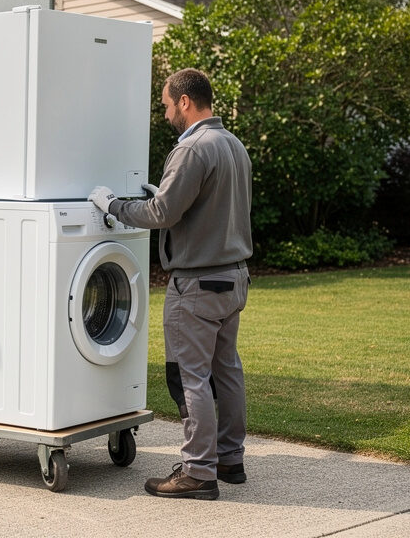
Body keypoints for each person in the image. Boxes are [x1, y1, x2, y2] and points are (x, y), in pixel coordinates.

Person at [89, 68, 252, 499]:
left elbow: (162, 215)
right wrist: (161, 195)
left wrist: (112, 204)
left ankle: (197, 472)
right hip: (234, 278)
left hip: (197, 285)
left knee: (189, 377)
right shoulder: (233, 144)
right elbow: (200, 207)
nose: (164, 114)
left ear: (184, 101)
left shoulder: (192, 148)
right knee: (227, 371)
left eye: (165, 105)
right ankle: (229, 459)